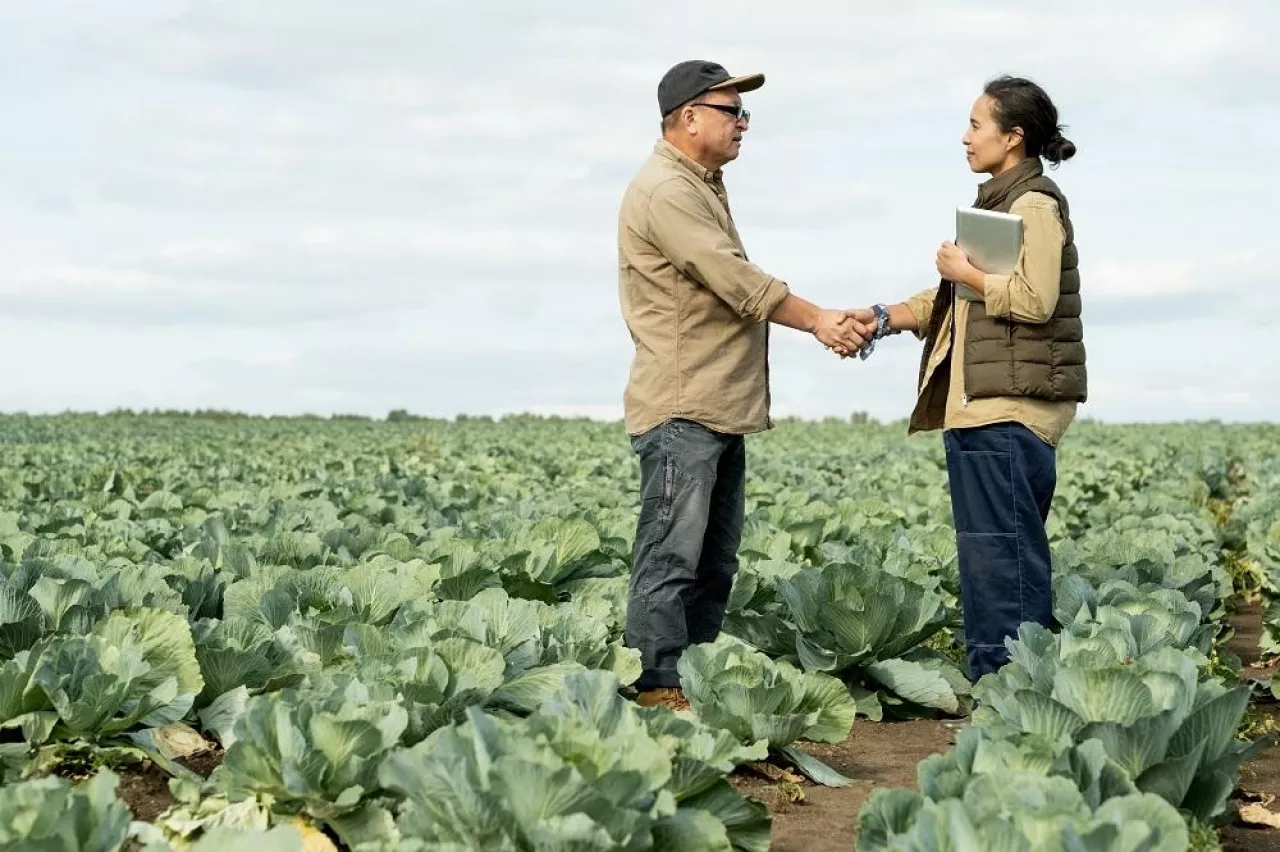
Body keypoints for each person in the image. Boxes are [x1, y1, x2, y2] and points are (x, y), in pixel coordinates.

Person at [617, 59, 871, 710]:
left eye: (743, 114)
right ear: (690, 118)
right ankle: (657, 687)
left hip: (716, 408)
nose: (743, 126)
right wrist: (818, 320)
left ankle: (691, 683)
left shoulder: (701, 184)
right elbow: (734, 279)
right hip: (682, 407)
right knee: (672, 557)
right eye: (733, 112)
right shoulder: (667, 191)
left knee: (713, 564)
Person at [853, 75, 1086, 683]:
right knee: (998, 553)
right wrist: (882, 318)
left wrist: (966, 270)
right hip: (987, 407)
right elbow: (951, 298)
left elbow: (1033, 300)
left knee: (1000, 557)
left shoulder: (1032, 203)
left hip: (1006, 409)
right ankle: (1013, 687)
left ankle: (1007, 690)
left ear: (1013, 137)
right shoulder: (1000, 204)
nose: (965, 136)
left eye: (977, 124)